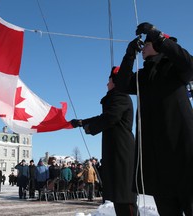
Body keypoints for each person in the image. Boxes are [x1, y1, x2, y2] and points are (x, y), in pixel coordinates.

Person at [115, 22, 193, 216]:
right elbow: (122, 84)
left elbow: (190, 65)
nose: (143, 49)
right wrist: (129, 54)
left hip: (185, 158)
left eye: (146, 44)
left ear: (159, 45)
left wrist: (156, 35)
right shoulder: (143, 77)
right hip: (158, 163)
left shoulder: (175, 69)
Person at [71, 66, 138, 215]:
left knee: (125, 196)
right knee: (119, 196)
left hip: (122, 151)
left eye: (109, 81)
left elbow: (110, 117)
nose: (106, 85)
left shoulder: (120, 96)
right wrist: (82, 122)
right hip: (117, 151)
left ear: (115, 82)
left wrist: (89, 127)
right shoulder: (117, 97)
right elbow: (105, 117)